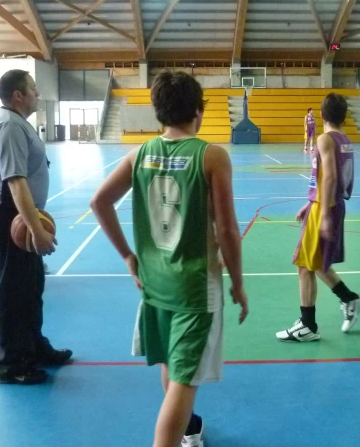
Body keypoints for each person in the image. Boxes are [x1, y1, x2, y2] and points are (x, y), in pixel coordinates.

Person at [90, 70, 248, 447]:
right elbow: (226, 230)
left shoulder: (139, 154)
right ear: (199, 111)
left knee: (169, 364)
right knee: (185, 380)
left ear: (158, 111)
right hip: (195, 286)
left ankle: (189, 431)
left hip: (154, 283)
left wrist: (129, 256)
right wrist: (238, 283)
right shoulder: (211, 156)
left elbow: (99, 202)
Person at [0, 69, 71, 385]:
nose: (37, 94)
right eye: (33, 88)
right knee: (13, 291)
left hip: (16, 215)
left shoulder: (17, 123)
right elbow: (15, 181)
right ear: (18, 95)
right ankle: (9, 364)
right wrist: (36, 230)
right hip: (8, 217)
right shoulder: (8, 126)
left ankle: (33, 347)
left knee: (31, 286)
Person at [276, 93, 360, 344]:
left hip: (326, 207)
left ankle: (308, 325)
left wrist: (323, 212)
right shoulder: (344, 139)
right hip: (327, 205)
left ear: (322, 114)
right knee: (314, 263)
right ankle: (349, 299)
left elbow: (330, 177)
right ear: (344, 116)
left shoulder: (325, 139)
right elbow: (327, 177)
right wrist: (310, 202)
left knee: (304, 265)